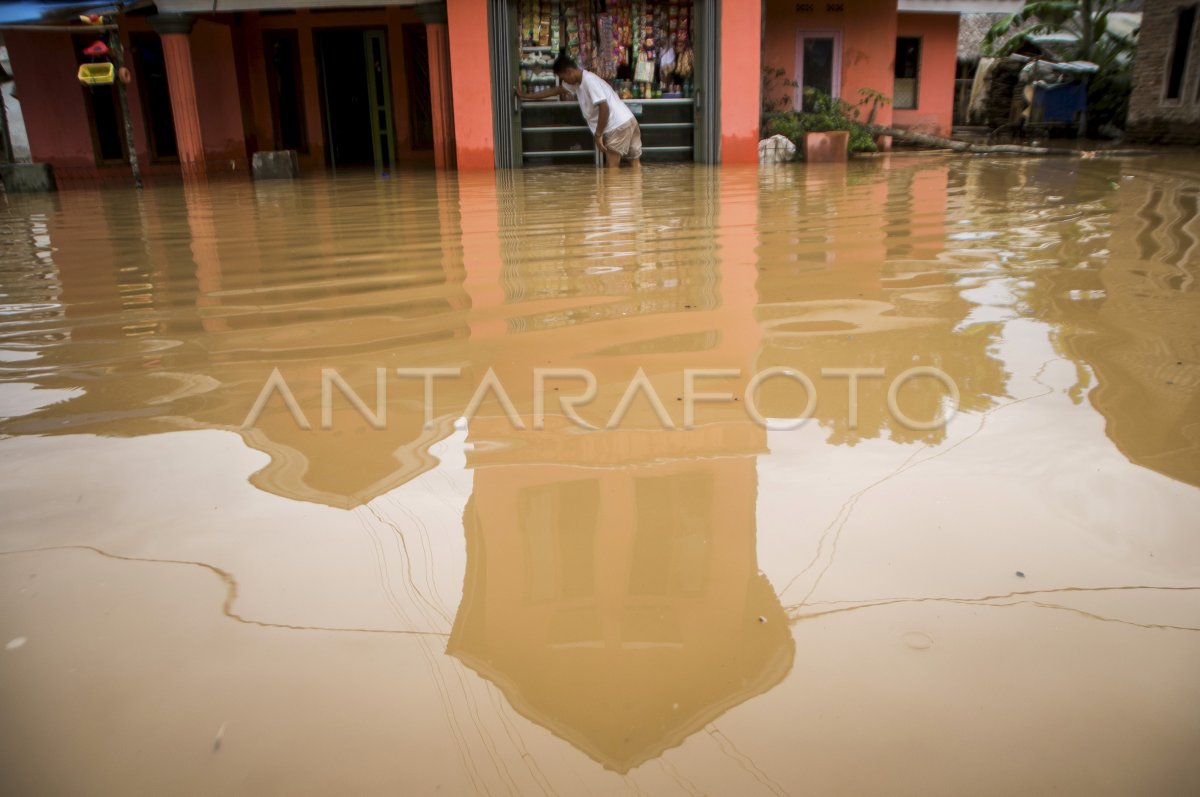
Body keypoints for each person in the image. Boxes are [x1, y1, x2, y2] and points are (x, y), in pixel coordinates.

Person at [515, 52, 642, 170]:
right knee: (635, 166)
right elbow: (554, 91)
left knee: (612, 169)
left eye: (563, 77)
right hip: (629, 121)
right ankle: (638, 194)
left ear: (569, 72)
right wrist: (525, 95)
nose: (564, 81)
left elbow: (604, 107)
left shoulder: (589, 81)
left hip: (617, 127)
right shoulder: (578, 82)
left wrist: (598, 135)